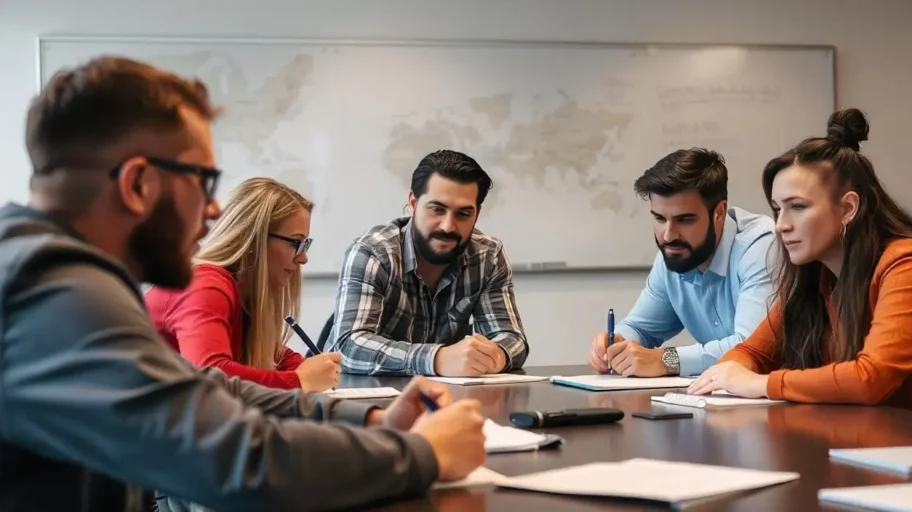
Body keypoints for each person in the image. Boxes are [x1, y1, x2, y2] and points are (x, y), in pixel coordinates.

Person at [0, 56, 486, 512]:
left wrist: (373, 420)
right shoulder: (55, 294)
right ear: (138, 184)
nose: (213, 210)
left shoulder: (45, 268)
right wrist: (422, 454)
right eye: (203, 181)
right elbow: (237, 461)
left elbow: (200, 387)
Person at [688, 108, 912, 424]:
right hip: (880, 445)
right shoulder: (815, 278)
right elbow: (752, 355)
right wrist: (733, 373)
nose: (781, 225)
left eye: (797, 208)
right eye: (777, 209)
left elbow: (871, 379)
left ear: (848, 208)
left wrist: (762, 384)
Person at [330, 150, 529, 376]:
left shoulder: (487, 256)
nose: (448, 226)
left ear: (477, 213)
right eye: (437, 209)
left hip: (446, 399)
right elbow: (348, 347)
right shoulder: (372, 252)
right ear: (413, 203)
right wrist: (437, 359)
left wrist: (494, 356)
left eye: (463, 214)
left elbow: (512, 339)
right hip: (367, 400)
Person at [588, 148, 776, 377]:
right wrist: (617, 344)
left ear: (719, 213)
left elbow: (751, 348)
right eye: (659, 218)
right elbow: (639, 328)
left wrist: (666, 360)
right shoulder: (674, 254)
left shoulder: (761, 246)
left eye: (684, 219)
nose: (668, 235)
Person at [146, 178, 341, 391]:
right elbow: (211, 374)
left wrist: (306, 367)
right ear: (252, 240)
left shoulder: (240, 290)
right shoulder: (205, 285)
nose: (303, 258)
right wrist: (298, 380)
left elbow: (273, 354)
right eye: (296, 243)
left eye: (306, 244)